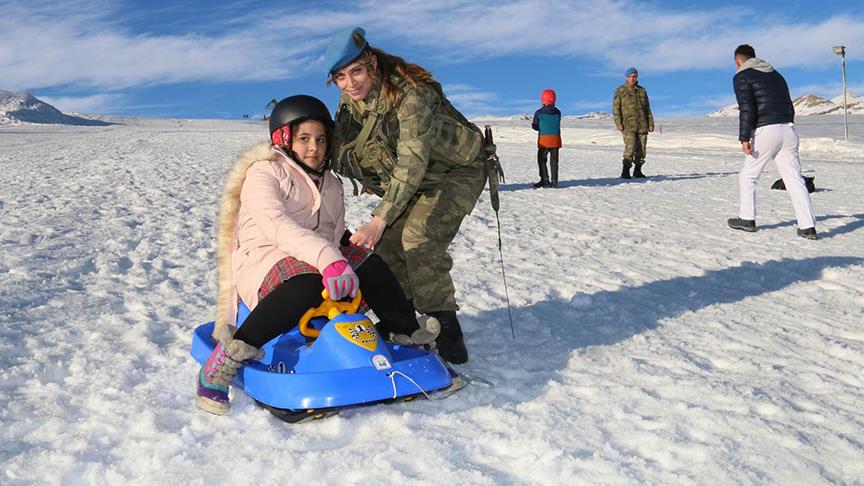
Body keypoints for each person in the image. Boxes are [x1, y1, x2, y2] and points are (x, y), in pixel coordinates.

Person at [196, 95, 438, 415]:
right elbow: (278, 227)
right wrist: (330, 259)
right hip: (265, 258)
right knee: (307, 282)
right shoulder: (263, 174)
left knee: (371, 265)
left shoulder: (332, 184)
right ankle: (225, 360)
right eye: (305, 139)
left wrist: (348, 247)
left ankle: (407, 339)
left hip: (316, 256)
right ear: (285, 139)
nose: (315, 148)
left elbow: (331, 234)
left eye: (321, 140)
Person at [324, 27, 487, 364]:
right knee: (384, 251)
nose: (350, 83)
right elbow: (340, 144)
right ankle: (404, 324)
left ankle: (446, 332)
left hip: (456, 173)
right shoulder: (351, 100)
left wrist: (379, 219)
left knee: (417, 238)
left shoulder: (411, 94)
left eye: (356, 71)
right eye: (340, 77)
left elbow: (412, 162)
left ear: (370, 61)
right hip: (415, 180)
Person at [727, 44, 817, 240]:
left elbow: (747, 108)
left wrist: (744, 138)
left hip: (765, 131)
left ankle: (747, 218)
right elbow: (789, 103)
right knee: (794, 179)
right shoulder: (776, 75)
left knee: (748, 176)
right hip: (788, 129)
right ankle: (807, 226)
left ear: (738, 61)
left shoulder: (742, 75)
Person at [612, 67, 654, 178]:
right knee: (630, 147)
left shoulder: (642, 90)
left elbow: (647, 108)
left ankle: (638, 170)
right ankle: (625, 171)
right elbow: (616, 108)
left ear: (637, 77)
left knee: (642, 149)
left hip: (642, 124)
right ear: (627, 77)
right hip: (628, 124)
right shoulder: (620, 90)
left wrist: (650, 123)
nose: (632, 78)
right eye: (630, 76)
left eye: (634, 76)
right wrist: (618, 123)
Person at [531, 89, 562, 188]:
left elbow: (535, 125)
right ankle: (554, 181)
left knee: (542, 159)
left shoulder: (539, 112)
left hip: (544, 140)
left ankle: (544, 179)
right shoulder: (558, 112)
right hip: (555, 140)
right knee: (554, 160)